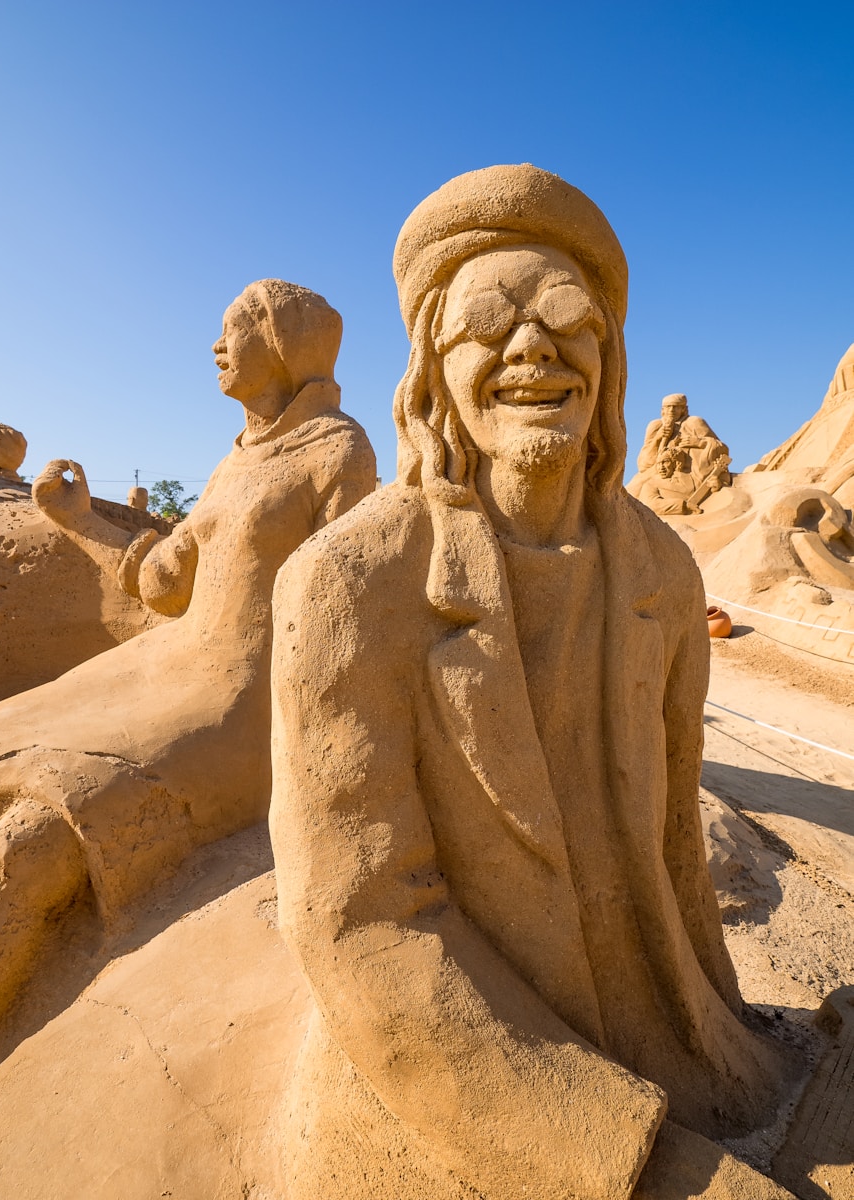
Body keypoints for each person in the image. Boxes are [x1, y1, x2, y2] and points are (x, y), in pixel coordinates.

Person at [268, 167, 795, 1199]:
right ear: (430, 371)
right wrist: (630, 1157)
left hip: (679, 1047)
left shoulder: (665, 575)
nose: (530, 347)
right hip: (449, 1091)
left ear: (609, 354)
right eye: (486, 324)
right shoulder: (347, 583)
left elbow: (676, 838)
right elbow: (364, 923)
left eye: (565, 317)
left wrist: (721, 1028)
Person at [0, 279, 375, 1072]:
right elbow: (163, 587)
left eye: (233, 328)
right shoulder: (232, 464)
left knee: (34, 842)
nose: (217, 345)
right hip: (154, 670)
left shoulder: (338, 451)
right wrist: (78, 521)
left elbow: (352, 607)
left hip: (239, 704)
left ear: (282, 340)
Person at [629, 393, 731, 515]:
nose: (671, 410)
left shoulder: (694, 422)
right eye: (668, 407)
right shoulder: (655, 426)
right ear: (662, 410)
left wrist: (699, 443)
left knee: (642, 492)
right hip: (659, 471)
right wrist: (658, 438)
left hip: (690, 474)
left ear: (684, 409)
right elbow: (644, 464)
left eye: (676, 406)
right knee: (633, 490)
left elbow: (722, 449)